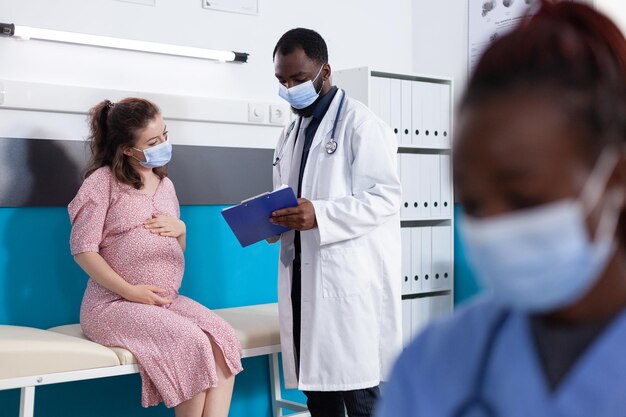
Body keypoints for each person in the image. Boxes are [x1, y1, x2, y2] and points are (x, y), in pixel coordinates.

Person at [376, 1, 626, 416]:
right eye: (472, 203)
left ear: (615, 178)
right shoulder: (433, 364)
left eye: (524, 197)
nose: (492, 228)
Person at [68, 98, 243, 417]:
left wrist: (181, 229)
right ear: (126, 149)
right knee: (190, 340)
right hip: (112, 304)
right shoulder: (102, 183)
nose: (163, 145)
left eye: (164, 135)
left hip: (164, 300)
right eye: (152, 142)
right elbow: (83, 251)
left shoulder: (165, 185)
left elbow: (175, 250)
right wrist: (131, 291)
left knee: (222, 337)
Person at [268, 28, 402, 417]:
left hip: (348, 285)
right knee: (320, 399)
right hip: (302, 281)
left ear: (324, 71)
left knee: (361, 401)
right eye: (282, 80)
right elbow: (289, 196)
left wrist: (320, 215)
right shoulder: (291, 132)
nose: (290, 88)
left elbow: (386, 197)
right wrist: (275, 222)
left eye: (297, 78)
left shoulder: (361, 125)